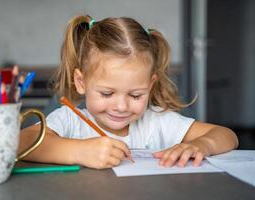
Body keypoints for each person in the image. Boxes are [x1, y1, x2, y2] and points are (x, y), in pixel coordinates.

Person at [19, 15, 238, 169]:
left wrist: (201, 145)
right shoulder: (68, 121)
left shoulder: (156, 121)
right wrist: (78, 151)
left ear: (150, 86)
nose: (122, 107)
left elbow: (227, 136)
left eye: (135, 95)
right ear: (81, 82)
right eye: (106, 93)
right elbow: (19, 142)